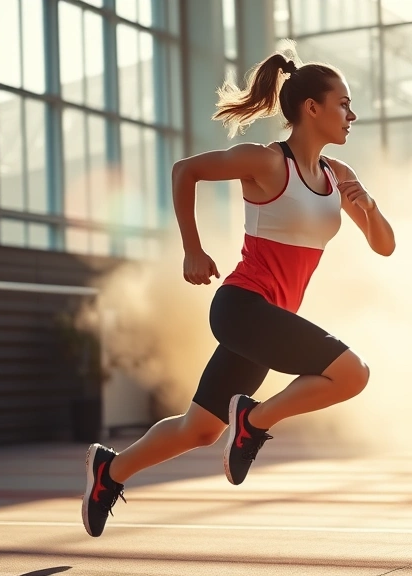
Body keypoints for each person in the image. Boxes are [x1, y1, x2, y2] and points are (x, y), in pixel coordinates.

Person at [81, 49, 395, 538]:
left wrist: (369, 208)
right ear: (311, 108)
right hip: (243, 308)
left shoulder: (340, 178)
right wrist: (192, 249)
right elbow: (185, 170)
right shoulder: (267, 162)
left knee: (201, 429)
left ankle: (110, 472)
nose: (351, 115)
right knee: (352, 373)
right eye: (343, 104)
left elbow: (384, 246)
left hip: (268, 321)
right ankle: (252, 420)